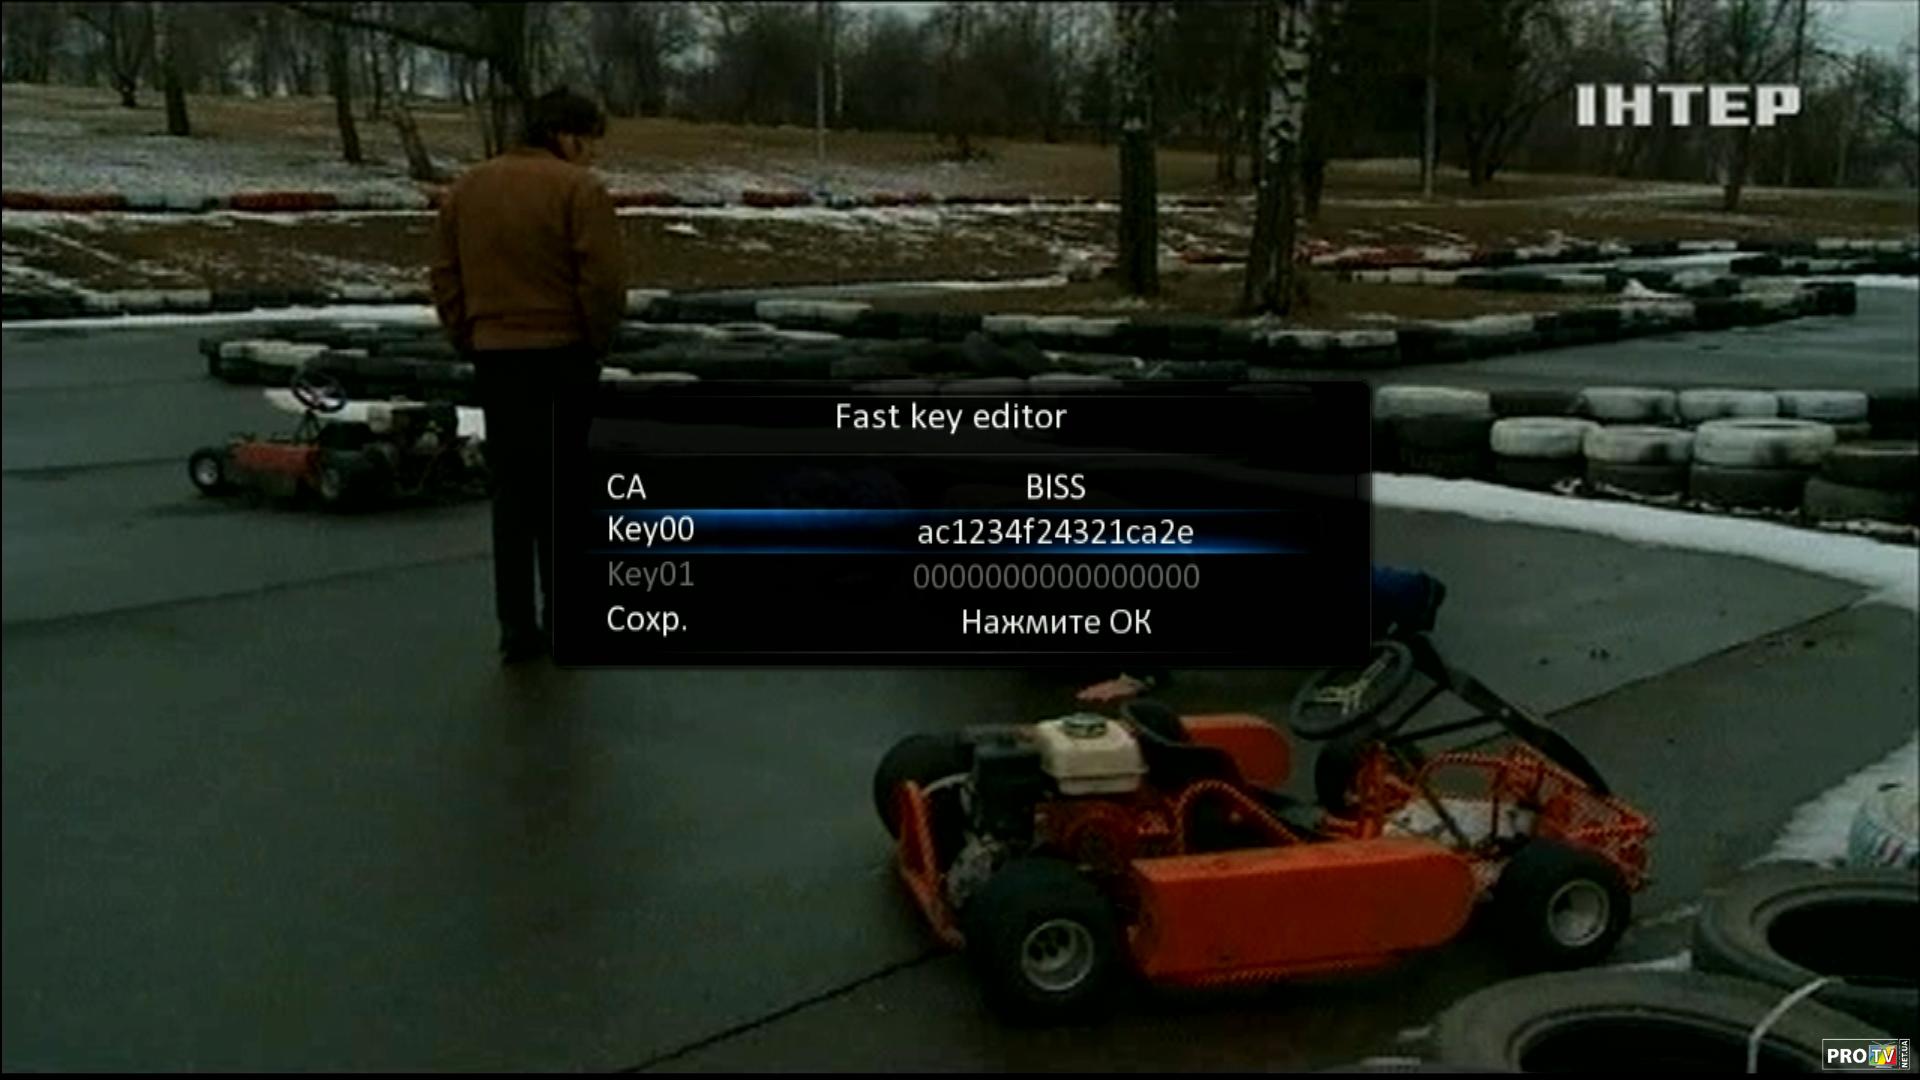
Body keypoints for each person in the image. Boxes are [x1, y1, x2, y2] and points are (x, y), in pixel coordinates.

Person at [430, 88, 627, 664]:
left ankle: (516, 627)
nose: (592, 153)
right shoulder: (579, 190)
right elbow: (604, 281)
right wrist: (595, 340)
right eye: (588, 140)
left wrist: (467, 334)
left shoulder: (466, 189)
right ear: (565, 135)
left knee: (512, 494)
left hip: (496, 356)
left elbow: (444, 273)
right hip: (564, 354)